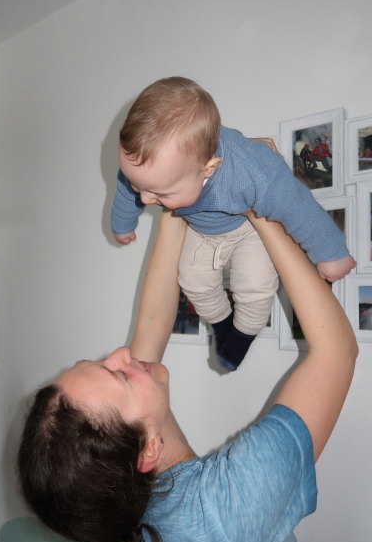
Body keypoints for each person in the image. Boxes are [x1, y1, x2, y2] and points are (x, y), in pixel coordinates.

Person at [18, 210, 357, 542]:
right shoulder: (226, 509)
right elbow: (336, 351)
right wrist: (266, 209)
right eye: (119, 376)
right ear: (146, 450)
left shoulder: (120, 503)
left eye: (103, 362)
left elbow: (152, 319)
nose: (123, 354)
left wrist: (173, 208)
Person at [110, 77, 355, 370]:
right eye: (141, 187)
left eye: (161, 192)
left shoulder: (251, 170)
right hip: (201, 231)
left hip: (246, 230)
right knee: (192, 281)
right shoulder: (147, 172)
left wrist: (331, 253)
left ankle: (244, 334)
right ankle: (223, 324)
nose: (147, 199)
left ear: (208, 168)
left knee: (255, 286)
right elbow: (126, 191)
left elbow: (297, 206)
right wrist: (123, 224)